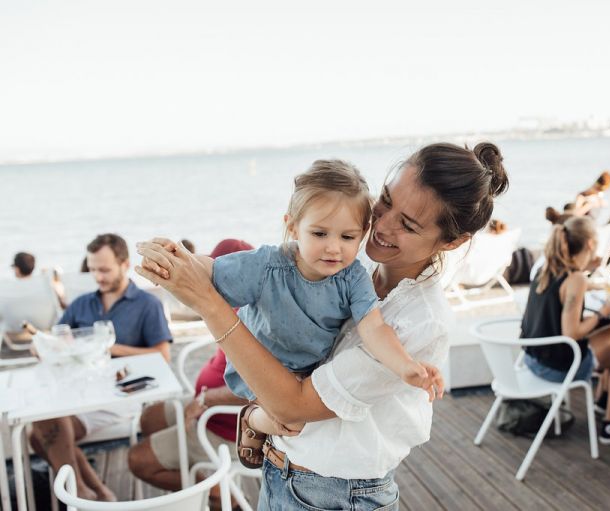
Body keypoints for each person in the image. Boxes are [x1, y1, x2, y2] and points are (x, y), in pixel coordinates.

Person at [136, 141, 508, 510]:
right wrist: (177, 260)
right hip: (282, 473)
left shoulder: (420, 321)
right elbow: (232, 272)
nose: (380, 225)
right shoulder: (350, 264)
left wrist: (207, 304)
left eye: (407, 225)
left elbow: (296, 406)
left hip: (333, 497)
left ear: (453, 241)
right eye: (387, 201)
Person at [173, 160, 441, 468]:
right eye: (319, 233)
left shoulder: (353, 277)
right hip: (260, 367)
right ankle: (256, 417)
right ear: (293, 226)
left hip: (306, 371)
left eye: (347, 237)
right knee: (285, 418)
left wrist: (405, 366)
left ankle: (253, 421)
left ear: (363, 233)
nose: (333, 248)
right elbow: (214, 270)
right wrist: (180, 259)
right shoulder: (268, 264)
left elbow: (374, 327)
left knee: (294, 423)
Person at [29, 233, 173, 501]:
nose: (98, 276)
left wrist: (107, 348)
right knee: (40, 427)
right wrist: (43, 347)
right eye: (93, 269)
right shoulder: (82, 303)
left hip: (122, 394)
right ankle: (99, 493)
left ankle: (80, 494)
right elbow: (56, 339)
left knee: (44, 429)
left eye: (105, 269)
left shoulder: (147, 305)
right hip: (80, 389)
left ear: (125, 264)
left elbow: (163, 355)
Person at [128, 238, 254, 500]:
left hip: (224, 423)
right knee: (150, 417)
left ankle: (218, 491)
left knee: (137, 459)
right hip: (209, 405)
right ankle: (192, 467)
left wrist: (205, 399)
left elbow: (257, 389)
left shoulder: (255, 321)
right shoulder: (232, 306)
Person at [521, 216, 610, 444]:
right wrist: (603, 312)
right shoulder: (576, 279)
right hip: (559, 367)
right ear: (590, 244)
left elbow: (560, 318)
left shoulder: (547, 268)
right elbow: (571, 333)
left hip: (533, 358)